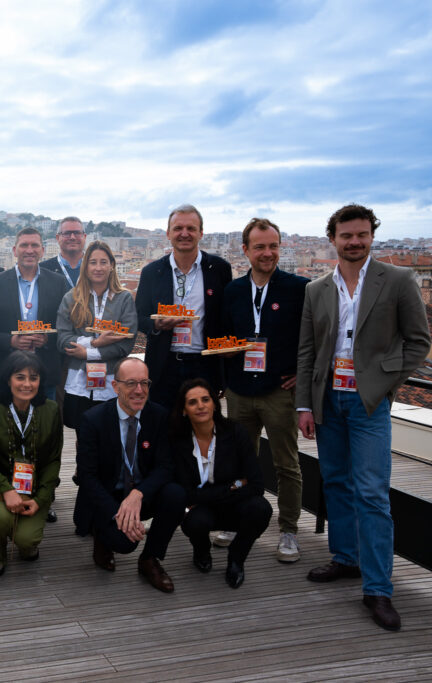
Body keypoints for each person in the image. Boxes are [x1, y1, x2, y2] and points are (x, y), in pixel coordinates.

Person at [297, 204, 431, 632]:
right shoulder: (316, 288)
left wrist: (384, 381)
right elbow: (307, 352)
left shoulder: (397, 279)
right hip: (328, 400)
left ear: (372, 236)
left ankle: (378, 588)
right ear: (332, 239)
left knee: (372, 493)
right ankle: (345, 558)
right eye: (346, 235)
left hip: (369, 403)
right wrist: (304, 404)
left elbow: (418, 341)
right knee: (335, 481)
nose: (354, 241)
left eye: (361, 234)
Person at [220, 218, 308, 562]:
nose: (267, 253)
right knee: (238, 461)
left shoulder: (299, 288)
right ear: (246, 250)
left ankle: (288, 529)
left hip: (278, 391)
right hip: (240, 390)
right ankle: (234, 519)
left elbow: (314, 338)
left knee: (286, 464)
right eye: (259, 247)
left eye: (273, 246)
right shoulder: (233, 291)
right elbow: (223, 338)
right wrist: (225, 379)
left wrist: (302, 374)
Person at [74, 357, 186, 593]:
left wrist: (138, 494)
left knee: (175, 494)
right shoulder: (93, 420)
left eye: (144, 383)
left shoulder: (158, 416)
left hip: (140, 494)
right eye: (131, 383)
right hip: (107, 497)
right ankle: (103, 538)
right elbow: (87, 476)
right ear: (115, 387)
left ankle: (150, 559)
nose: (139, 390)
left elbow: (165, 466)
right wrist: (118, 513)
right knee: (124, 543)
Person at [170, 379, 272, 589]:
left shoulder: (236, 432)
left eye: (205, 399)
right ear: (183, 410)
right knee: (195, 522)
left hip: (234, 505)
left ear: (215, 403)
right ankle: (201, 550)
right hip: (203, 510)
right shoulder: (178, 441)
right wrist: (234, 485)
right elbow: (185, 493)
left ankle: (236, 559)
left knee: (261, 508)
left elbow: (255, 484)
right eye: (192, 402)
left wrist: (210, 493)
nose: (200, 406)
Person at [135, 204, 232, 410]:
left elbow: (226, 318)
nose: (184, 234)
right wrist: (157, 325)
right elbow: (138, 317)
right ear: (168, 233)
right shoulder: (152, 272)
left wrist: (223, 374)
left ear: (201, 233)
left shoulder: (219, 269)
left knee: (204, 430)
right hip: (164, 364)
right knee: (163, 430)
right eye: (178, 228)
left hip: (204, 364)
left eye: (191, 228)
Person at [0, 351, 62, 577]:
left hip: (35, 487)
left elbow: (53, 460)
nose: (27, 384)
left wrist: (41, 499)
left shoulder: (51, 410)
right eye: (20, 377)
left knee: (27, 539)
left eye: (33, 377)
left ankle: (25, 541)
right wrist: (6, 490)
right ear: (8, 379)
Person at [57, 241, 137, 432]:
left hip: (112, 382)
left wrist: (87, 353)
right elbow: (62, 338)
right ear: (86, 266)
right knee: (82, 436)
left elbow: (126, 343)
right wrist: (94, 342)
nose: (98, 268)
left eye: (103, 262)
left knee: (111, 436)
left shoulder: (124, 298)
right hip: (79, 382)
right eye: (93, 262)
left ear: (112, 266)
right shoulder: (71, 297)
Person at [0, 227, 68, 395]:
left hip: (44, 373)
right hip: (6, 372)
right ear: (15, 250)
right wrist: (11, 341)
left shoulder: (58, 283)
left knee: (44, 421)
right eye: (24, 245)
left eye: (34, 245)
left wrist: (47, 339)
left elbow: (66, 326)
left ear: (42, 251)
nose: (29, 250)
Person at [40, 217, 86, 290]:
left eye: (77, 233)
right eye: (67, 233)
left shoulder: (97, 267)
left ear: (84, 237)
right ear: (58, 238)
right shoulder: (42, 270)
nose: (72, 237)